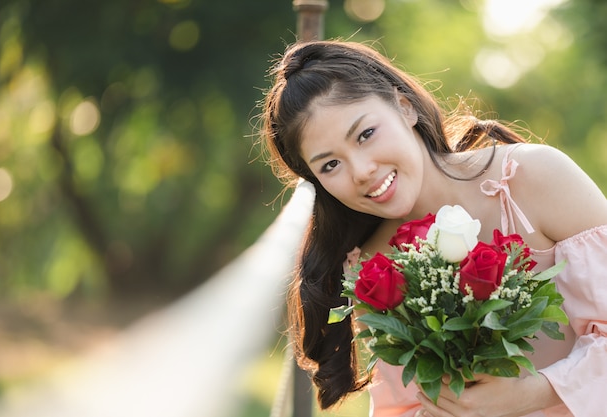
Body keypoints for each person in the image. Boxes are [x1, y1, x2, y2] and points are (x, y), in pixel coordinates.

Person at [259, 39, 607, 417]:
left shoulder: (532, 177)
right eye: (330, 165)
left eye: (365, 134)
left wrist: (531, 395)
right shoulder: (374, 270)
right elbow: (403, 407)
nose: (361, 171)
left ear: (404, 107)